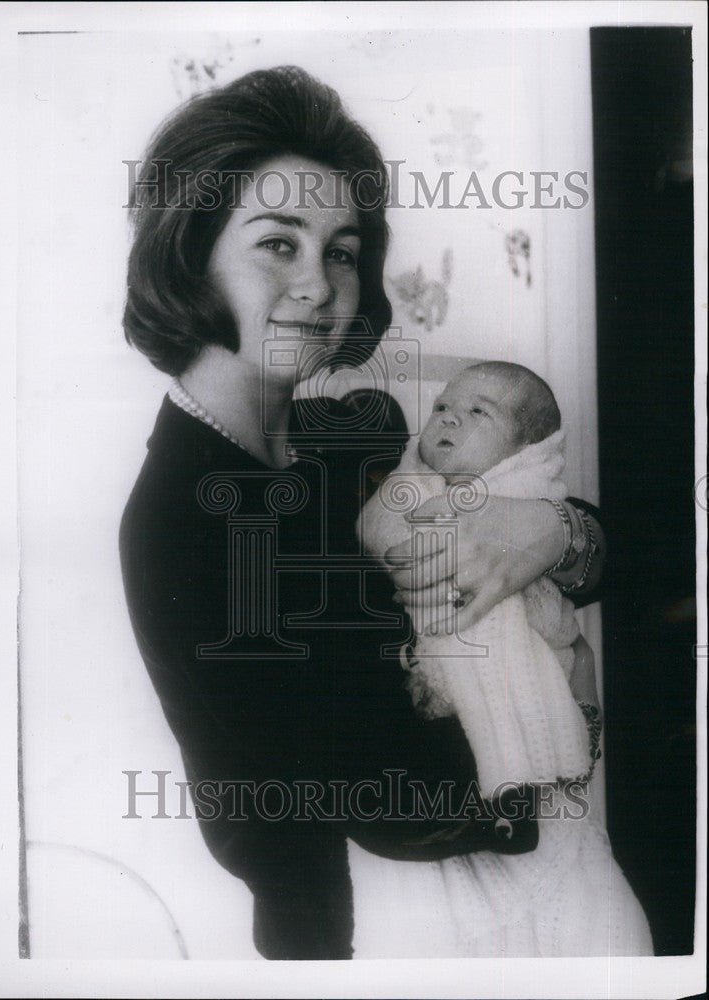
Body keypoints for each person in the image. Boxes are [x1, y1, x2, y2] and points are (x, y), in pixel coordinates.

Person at [119, 65, 605, 960]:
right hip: (378, 941)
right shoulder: (188, 519)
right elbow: (384, 800)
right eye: (279, 243)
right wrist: (570, 722)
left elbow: (606, 539)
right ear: (194, 252)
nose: (317, 284)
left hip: (522, 890)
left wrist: (554, 531)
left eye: (341, 249)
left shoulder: (357, 431)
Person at [355, 361, 653, 955]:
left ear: (524, 450)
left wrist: (552, 525)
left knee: (599, 926)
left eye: (478, 413)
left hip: (550, 778)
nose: (448, 418)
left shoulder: (529, 496)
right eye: (442, 408)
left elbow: (597, 567)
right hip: (441, 794)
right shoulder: (402, 487)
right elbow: (384, 527)